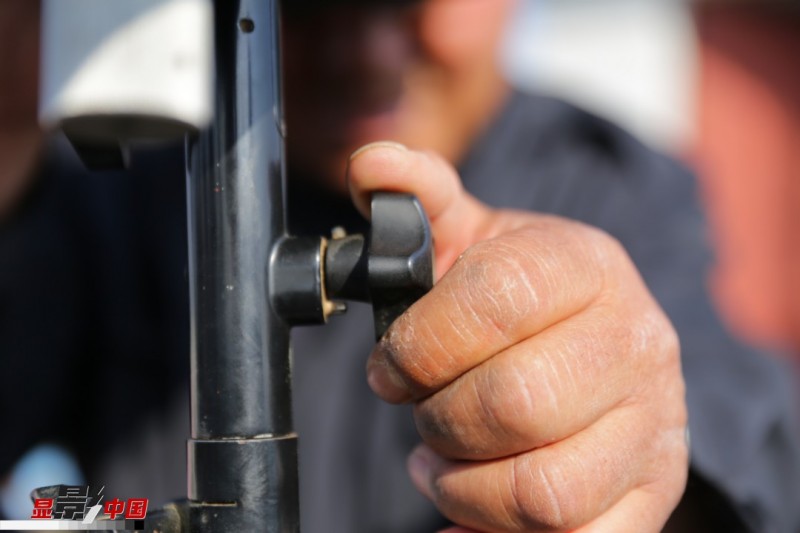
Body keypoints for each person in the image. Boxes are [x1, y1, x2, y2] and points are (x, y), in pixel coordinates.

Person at [1, 0, 799, 531]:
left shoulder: (608, 183)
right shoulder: (117, 196)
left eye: (414, 2)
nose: (368, 48)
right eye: (311, 5)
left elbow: (748, 439)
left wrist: (647, 447)